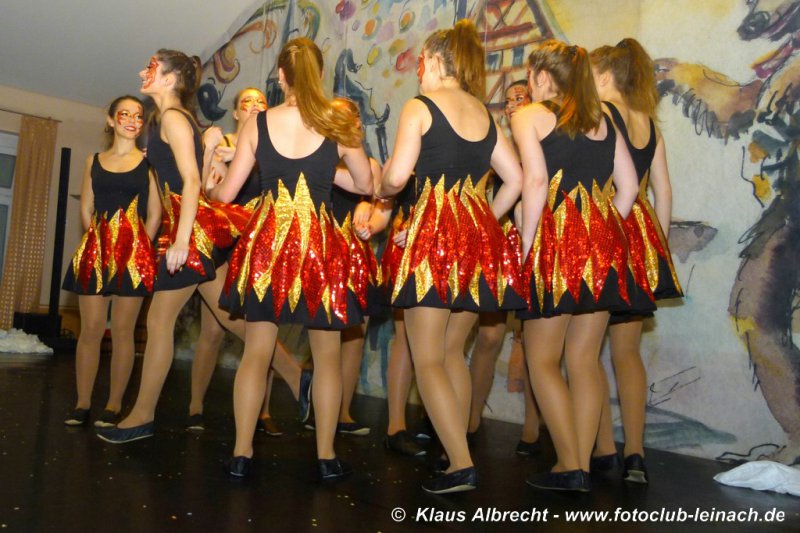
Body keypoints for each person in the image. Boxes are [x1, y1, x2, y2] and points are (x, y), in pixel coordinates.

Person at [209, 38, 372, 481]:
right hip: (319, 245)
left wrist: (210, 183)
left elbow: (227, 194)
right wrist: (323, 170)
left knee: (256, 353)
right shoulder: (337, 122)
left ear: (281, 76)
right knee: (327, 358)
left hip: (267, 243)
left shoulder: (257, 123)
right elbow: (365, 185)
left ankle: (241, 454)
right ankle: (326, 457)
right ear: (319, 74)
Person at [376, 20, 525, 494]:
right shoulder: (483, 112)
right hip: (476, 243)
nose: (418, 71)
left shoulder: (419, 107)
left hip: (433, 242)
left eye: (421, 62)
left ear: (437, 60)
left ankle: (459, 464)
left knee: (427, 359)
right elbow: (516, 181)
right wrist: (483, 219)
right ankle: (452, 450)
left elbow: (397, 176)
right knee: (452, 354)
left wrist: (381, 190)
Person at [96, 49, 253, 444]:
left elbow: (192, 182)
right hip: (189, 227)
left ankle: (142, 416)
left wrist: (181, 240)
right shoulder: (167, 119)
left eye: (151, 68)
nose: (142, 72)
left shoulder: (172, 118)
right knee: (232, 319)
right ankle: (299, 378)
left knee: (159, 321)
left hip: (191, 232)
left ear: (168, 79)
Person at [513, 39, 647, 492]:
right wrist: (600, 229)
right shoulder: (603, 119)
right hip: (603, 248)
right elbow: (629, 189)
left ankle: (569, 466)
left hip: (554, 247)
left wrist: (527, 245)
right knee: (586, 360)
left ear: (542, 77)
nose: (529, 84)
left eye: (530, 76)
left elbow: (535, 182)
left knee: (542, 360)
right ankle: (582, 465)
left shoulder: (530, 116)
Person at [589, 38, 683, 483]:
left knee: (585, 353)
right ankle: (636, 455)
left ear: (606, 76)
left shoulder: (602, 114)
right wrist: (655, 248)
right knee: (627, 353)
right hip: (639, 233)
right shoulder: (649, 124)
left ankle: (603, 448)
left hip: (604, 231)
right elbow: (663, 192)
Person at [190, 87, 309, 435]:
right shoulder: (223, 144)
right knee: (217, 329)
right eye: (248, 102)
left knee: (258, 325)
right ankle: (195, 406)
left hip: (256, 247)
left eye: (261, 102)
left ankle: (262, 411)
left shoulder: (272, 144)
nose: (255, 106)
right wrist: (213, 155)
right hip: (220, 244)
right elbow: (203, 190)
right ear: (236, 113)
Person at [62, 95, 160, 428]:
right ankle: (82, 403)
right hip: (96, 252)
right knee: (90, 330)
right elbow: (85, 207)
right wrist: (98, 241)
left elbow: (156, 214)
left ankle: (114, 405)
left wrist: (139, 247)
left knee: (122, 331)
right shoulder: (94, 160)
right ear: (110, 120)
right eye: (125, 114)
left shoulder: (149, 164)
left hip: (133, 256)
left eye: (138, 115)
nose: (132, 120)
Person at [468, 79, 541, 456]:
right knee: (489, 337)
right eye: (508, 100)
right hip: (498, 243)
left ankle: (532, 429)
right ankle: (469, 419)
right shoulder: (497, 139)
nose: (512, 105)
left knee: (533, 343)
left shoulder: (542, 138)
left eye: (520, 98)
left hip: (533, 245)